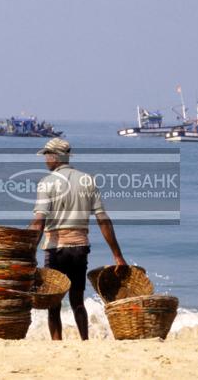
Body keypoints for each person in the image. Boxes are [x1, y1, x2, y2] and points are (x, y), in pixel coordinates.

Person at [29, 138, 127, 340]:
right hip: (80, 248)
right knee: (78, 301)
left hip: (56, 249)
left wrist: (28, 253)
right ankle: (85, 341)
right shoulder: (87, 180)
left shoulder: (47, 183)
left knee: (54, 304)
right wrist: (118, 256)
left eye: (47, 155)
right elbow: (103, 220)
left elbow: (39, 222)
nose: (45, 159)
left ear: (54, 156)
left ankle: (57, 344)